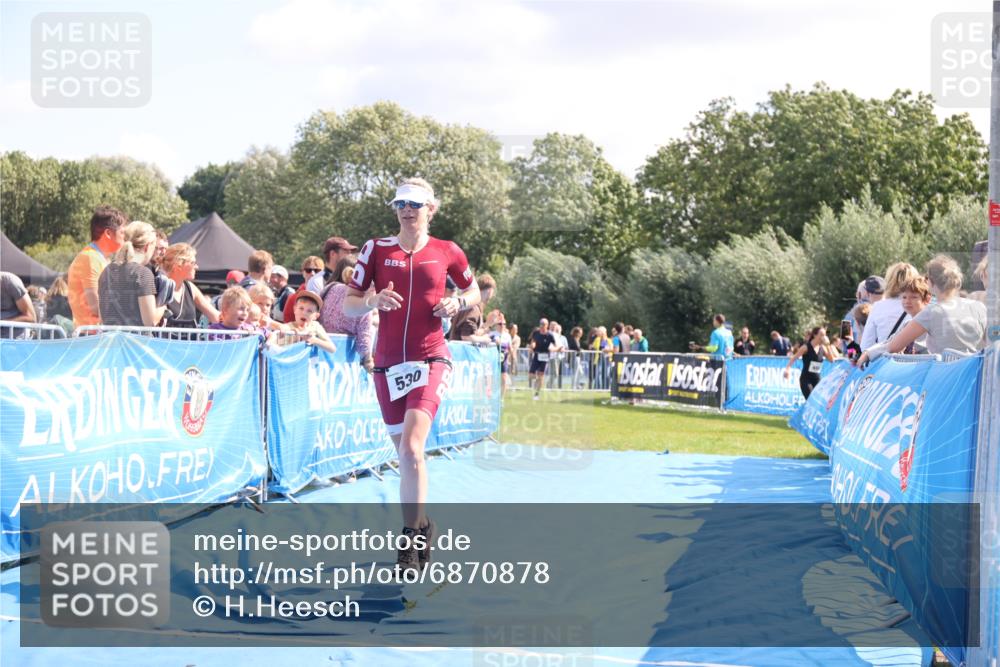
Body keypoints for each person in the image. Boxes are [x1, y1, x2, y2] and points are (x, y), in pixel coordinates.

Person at [341, 177, 482, 574]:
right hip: (387, 364)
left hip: (431, 357)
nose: (406, 210)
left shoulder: (447, 251)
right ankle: (422, 525)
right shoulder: (375, 248)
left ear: (430, 209)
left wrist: (457, 301)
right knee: (404, 455)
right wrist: (372, 299)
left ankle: (410, 540)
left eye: (415, 204)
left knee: (412, 449)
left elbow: (475, 291)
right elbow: (350, 304)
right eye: (400, 203)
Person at [858, 255, 987, 364]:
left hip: (944, 377)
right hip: (974, 376)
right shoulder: (978, 307)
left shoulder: (931, 312)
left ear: (930, 282)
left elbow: (894, 346)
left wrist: (868, 354)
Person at [67, 206, 127, 328]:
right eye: (122, 232)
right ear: (108, 233)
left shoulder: (98, 258)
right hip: (92, 335)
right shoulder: (90, 258)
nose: (125, 238)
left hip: (99, 333)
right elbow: (96, 307)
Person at [97, 221, 164, 327]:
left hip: (110, 336)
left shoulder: (106, 271)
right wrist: (162, 307)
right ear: (147, 247)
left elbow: (102, 317)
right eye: (154, 247)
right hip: (135, 337)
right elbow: (149, 322)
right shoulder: (142, 273)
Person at [320, 256, 374, 372]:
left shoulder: (330, 288)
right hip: (343, 360)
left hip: (320, 353)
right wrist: (369, 361)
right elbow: (364, 341)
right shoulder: (363, 300)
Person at [860, 263, 920, 351]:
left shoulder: (878, 307)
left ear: (889, 281)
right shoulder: (921, 307)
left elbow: (866, 345)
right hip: (916, 358)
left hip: (887, 358)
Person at [162, 244, 219, 328]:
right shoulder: (161, 287)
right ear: (178, 265)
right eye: (193, 263)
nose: (197, 267)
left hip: (190, 337)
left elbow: (215, 316)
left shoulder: (190, 287)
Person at [784, 326, 837, 399]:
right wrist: (787, 369)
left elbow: (832, 360)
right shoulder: (806, 347)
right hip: (806, 379)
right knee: (811, 399)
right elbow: (794, 358)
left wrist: (828, 345)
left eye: (825, 335)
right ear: (815, 335)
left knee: (818, 401)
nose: (824, 337)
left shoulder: (823, 348)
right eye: (821, 335)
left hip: (817, 379)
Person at [450, 274, 496, 343]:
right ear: (488, 291)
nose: (488, 300)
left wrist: (487, 325)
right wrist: (485, 340)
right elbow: (466, 336)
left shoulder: (468, 304)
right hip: (461, 348)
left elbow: (471, 332)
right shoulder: (474, 308)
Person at [282, 255, 324, 323]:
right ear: (303, 272)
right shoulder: (293, 297)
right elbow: (287, 321)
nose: (312, 273)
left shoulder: (328, 295)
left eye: (317, 271)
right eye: (308, 270)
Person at [844, 275, 886, 342]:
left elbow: (845, 341)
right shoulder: (883, 311)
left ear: (858, 294)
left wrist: (853, 348)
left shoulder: (847, 317)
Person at [529, 318, 559, 400]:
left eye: (544, 324)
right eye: (541, 324)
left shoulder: (550, 335)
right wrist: (532, 345)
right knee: (531, 375)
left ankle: (536, 394)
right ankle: (537, 381)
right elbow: (533, 341)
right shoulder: (536, 333)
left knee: (541, 375)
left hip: (545, 356)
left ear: (547, 325)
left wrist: (555, 349)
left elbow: (555, 345)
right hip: (536, 355)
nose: (542, 326)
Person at [486, 309, 512, 395]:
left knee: (504, 379)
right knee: (492, 378)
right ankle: (491, 395)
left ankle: (501, 398)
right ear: (496, 325)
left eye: (504, 324)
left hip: (503, 360)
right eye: (500, 324)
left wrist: (511, 359)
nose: (502, 325)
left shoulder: (507, 336)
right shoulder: (492, 334)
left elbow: (510, 348)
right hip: (493, 360)